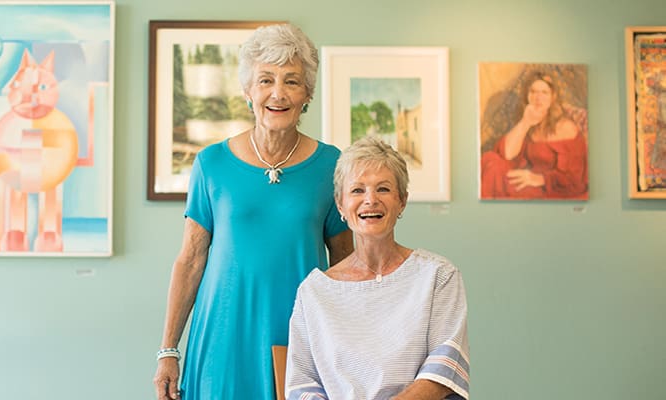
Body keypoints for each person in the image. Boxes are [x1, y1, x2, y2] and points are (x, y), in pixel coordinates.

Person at [153, 23, 353, 400]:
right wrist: (168, 350)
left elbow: (346, 261)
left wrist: (350, 346)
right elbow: (191, 260)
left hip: (300, 336)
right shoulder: (211, 163)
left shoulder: (332, 165)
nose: (278, 93)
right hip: (222, 337)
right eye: (266, 80)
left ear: (307, 93)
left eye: (292, 81)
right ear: (248, 91)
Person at [285, 136, 469, 400]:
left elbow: (444, 370)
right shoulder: (314, 292)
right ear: (340, 206)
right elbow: (302, 385)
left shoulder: (438, 276)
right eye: (357, 190)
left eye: (382, 189)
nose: (370, 200)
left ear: (402, 201)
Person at [480, 71, 588, 199]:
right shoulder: (529, 121)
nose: (538, 98)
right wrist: (525, 122)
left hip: (553, 189)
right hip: (529, 180)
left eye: (544, 92)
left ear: (553, 97)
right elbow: (508, 155)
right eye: (533, 92)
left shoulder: (565, 127)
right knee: (491, 160)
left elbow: (574, 180)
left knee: (496, 174)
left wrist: (539, 179)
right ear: (527, 96)